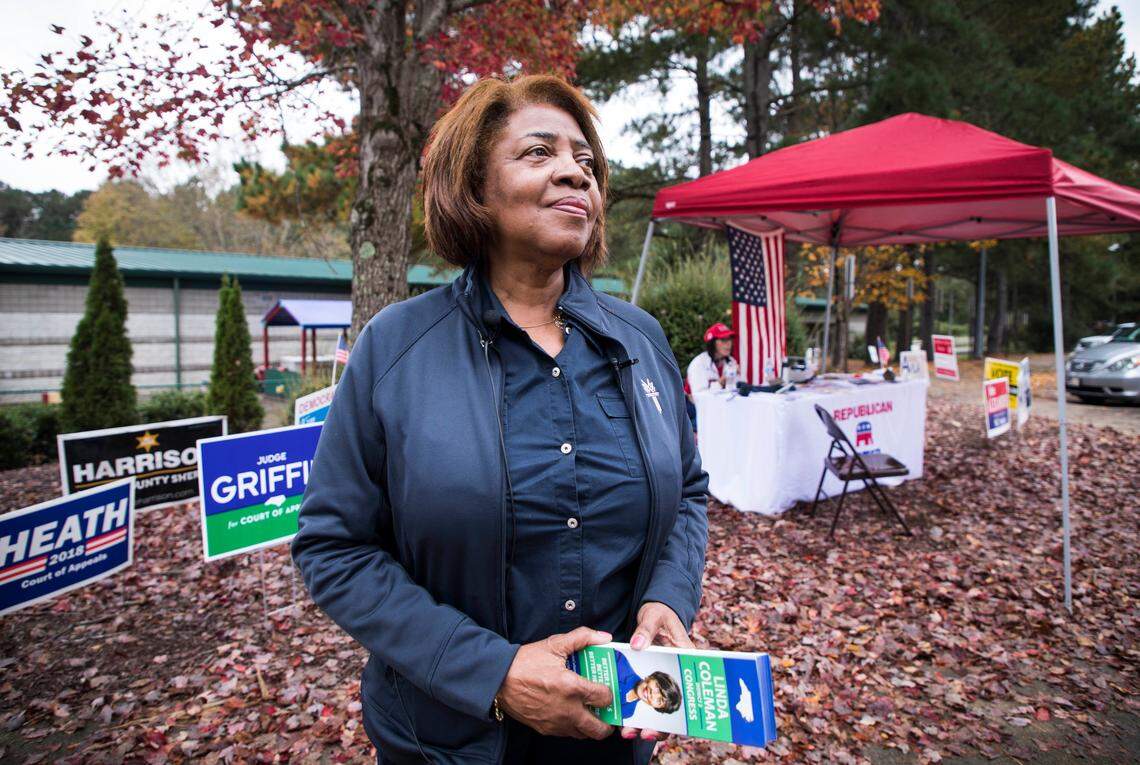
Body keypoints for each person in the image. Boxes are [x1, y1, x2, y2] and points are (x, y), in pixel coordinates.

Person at [292, 75, 709, 765]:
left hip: (613, 744)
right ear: (474, 185)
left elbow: (689, 489)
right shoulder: (396, 348)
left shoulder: (641, 339)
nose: (575, 170)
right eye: (539, 152)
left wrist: (669, 597)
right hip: (447, 744)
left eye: (587, 161)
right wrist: (492, 672)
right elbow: (335, 548)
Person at [614, 651, 683, 719]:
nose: (653, 694)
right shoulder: (618, 660)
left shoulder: (628, 712)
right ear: (651, 677)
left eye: (659, 700)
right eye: (658, 688)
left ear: (655, 707)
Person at [687, 322, 739, 395]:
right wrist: (720, 382)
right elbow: (699, 397)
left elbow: (734, 391)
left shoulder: (731, 361)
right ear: (712, 343)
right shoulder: (699, 363)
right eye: (723, 339)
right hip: (693, 405)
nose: (728, 343)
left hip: (722, 404)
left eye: (730, 339)